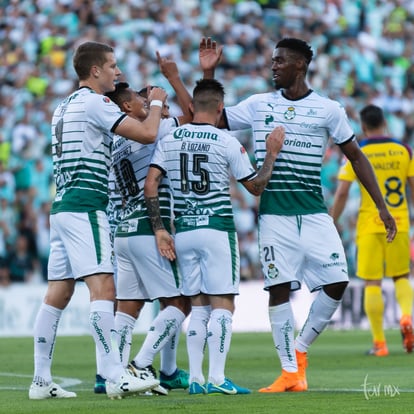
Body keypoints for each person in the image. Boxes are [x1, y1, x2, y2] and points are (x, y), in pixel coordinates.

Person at [205, 37, 397, 392]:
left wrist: (382, 206)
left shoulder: (328, 109)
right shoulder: (258, 104)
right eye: (273, 60)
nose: (273, 66)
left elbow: (357, 157)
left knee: (338, 282)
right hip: (274, 215)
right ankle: (290, 372)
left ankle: (300, 349)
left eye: (280, 60)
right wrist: (209, 71)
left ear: (300, 65)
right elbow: (211, 118)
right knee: (278, 289)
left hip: (313, 212)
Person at [29, 41, 167, 400]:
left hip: (61, 208)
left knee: (57, 293)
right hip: (86, 205)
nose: (117, 73)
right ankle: (114, 375)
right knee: (104, 287)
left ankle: (41, 381)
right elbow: (148, 133)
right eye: (112, 66)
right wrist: (155, 102)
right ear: (95, 71)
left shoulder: (63, 106)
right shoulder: (95, 102)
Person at [144, 78, 285, 395]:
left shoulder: (171, 138)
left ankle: (195, 378)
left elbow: (150, 184)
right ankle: (218, 378)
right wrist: (272, 154)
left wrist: (159, 228)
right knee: (223, 305)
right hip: (217, 228)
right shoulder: (226, 141)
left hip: (185, 230)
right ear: (221, 108)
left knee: (198, 305)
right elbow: (255, 186)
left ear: (192, 106)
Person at [331, 104, 414, 356]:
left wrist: (332, 220)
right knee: (401, 277)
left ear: (363, 127)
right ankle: (407, 317)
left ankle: (380, 344)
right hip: (398, 222)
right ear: (385, 124)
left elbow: (343, 191)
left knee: (372, 283)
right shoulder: (403, 150)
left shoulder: (358, 151)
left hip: (369, 224)